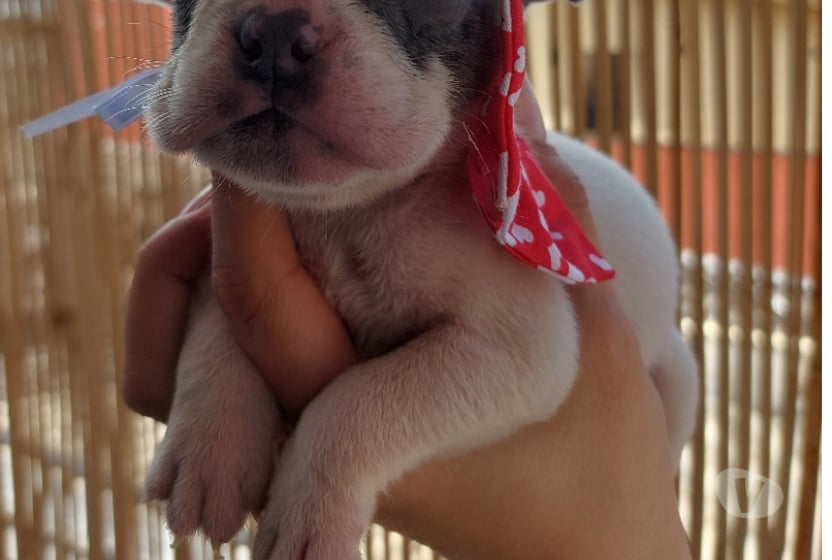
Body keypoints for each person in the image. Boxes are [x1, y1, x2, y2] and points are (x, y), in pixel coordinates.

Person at [122, 96, 693, 559]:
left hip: (639, 390)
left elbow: (518, 357)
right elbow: (247, 284)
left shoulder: (461, 187)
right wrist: (216, 365)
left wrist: (339, 455)